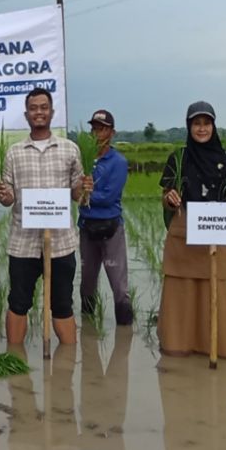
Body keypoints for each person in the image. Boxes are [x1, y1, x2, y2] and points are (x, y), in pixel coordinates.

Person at [0, 87, 88, 345]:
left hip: (61, 243)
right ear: (26, 114)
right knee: (18, 302)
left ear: (51, 112)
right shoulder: (14, 152)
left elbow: (77, 194)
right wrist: (3, 195)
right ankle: (14, 358)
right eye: (33, 108)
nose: (39, 112)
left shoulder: (69, 149)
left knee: (62, 304)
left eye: (43, 107)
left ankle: (68, 363)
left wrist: (84, 187)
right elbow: (9, 197)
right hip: (23, 243)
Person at [157, 101, 226, 358]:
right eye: (197, 123)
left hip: (218, 232)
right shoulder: (179, 157)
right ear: (189, 126)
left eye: (207, 123)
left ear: (213, 126)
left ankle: (218, 348)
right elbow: (166, 194)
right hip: (185, 234)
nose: (202, 128)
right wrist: (170, 197)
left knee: (218, 292)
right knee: (182, 291)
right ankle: (178, 348)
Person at [77, 109, 132, 327]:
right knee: (87, 283)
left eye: (103, 128)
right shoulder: (83, 159)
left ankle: (124, 333)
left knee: (118, 284)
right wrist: (80, 192)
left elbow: (109, 196)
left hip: (111, 229)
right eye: (94, 128)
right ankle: (88, 333)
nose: (97, 132)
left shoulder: (117, 161)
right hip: (87, 228)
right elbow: (74, 187)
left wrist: (85, 194)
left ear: (112, 132)